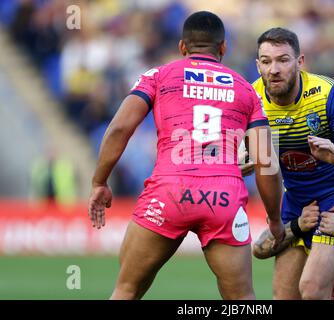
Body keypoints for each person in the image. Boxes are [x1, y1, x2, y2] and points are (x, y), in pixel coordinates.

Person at [88, 11, 285, 300]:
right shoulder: (247, 90)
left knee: (127, 289)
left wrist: (99, 182)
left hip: (169, 192)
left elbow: (119, 129)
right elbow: (266, 163)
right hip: (224, 198)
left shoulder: (158, 75)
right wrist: (274, 219)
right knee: (243, 299)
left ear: (183, 47)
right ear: (223, 48)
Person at [247, 27, 334, 299]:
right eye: (266, 61)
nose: (274, 69)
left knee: (311, 289)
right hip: (296, 201)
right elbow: (245, 158)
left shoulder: (324, 92)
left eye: (283, 60)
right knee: (284, 296)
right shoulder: (252, 98)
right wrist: (245, 159)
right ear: (257, 64)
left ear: (300, 62)